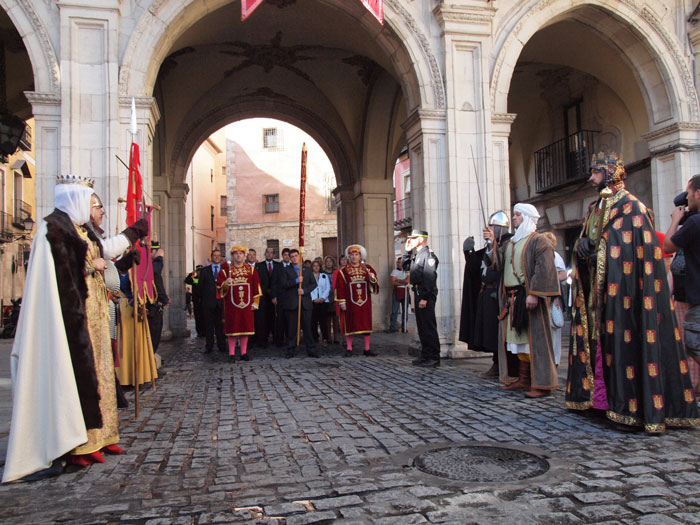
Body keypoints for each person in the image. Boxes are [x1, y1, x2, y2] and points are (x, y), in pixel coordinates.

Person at [3, 175, 148, 482]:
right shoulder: (53, 229)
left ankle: (101, 437)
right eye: (95, 204)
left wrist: (124, 257)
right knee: (82, 377)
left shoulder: (81, 231)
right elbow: (68, 268)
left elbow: (102, 257)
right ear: (78, 202)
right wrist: (126, 237)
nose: (100, 210)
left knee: (101, 375)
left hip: (94, 314)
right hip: (72, 318)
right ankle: (79, 443)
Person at [566, 154, 699, 433]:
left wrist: (598, 250)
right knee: (601, 347)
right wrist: (581, 248)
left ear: (609, 172)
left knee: (627, 347)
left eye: (594, 173)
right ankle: (600, 401)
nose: (590, 178)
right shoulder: (595, 207)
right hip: (598, 298)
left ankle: (631, 410)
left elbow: (627, 250)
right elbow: (589, 241)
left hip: (626, 296)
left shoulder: (632, 207)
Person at [484, 203, 559, 398]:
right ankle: (524, 379)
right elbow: (496, 264)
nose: (514, 218)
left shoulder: (539, 241)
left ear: (526, 217)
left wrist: (534, 293)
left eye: (517, 215)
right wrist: (491, 242)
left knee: (535, 342)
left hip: (529, 296)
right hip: (511, 300)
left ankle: (541, 384)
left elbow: (545, 269)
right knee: (518, 341)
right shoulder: (511, 243)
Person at [459, 211, 513, 379]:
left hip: (497, 294)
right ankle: (496, 363)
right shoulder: (491, 247)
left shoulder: (508, 244)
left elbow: (500, 263)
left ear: (500, 228)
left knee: (497, 332)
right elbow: (477, 268)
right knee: (488, 332)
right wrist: (468, 252)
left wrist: (493, 243)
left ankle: (503, 365)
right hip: (485, 292)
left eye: (491, 226)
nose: (487, 229)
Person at [665, 175, 700, 384]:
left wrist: (676, 219)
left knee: (692, 343)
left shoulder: (695, 222)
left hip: (697, 296)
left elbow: (668, 246)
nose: (686, 199)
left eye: (688, 194)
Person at [402, 230, 440, 367]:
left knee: (428, 326)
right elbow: (406, 266)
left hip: (426, 294)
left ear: (422, 239)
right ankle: (425, 355)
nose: (411, 240)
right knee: (422, 327)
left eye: (414, 238)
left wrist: (425, 297)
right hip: (418, 292)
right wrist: (407, 251)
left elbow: (430, 277)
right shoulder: (417, 255)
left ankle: (434, 357)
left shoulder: (428, 255)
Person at [218, 245, 262, 361]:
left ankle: (243, 352)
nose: (238, 255)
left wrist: (256, 302)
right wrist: (226, 283)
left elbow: (256, 287)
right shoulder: (226, 270)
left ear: (244, 255)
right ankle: (231, 353)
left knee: (244, 328)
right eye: (236, 253)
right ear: (232, 256)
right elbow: (219, 289)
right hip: (231, 305)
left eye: (241, 253)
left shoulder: (251, 269)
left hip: (247, 305)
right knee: (233, 329)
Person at [278, 249, 318, 358]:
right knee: (292, 328)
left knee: (307, 328)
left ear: (299, 256)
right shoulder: (285, 270)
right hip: (291, 304)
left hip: (305, 303)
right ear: (289, 258)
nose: (294, 258)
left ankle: (311, 349)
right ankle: (291, 350)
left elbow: (313, 284)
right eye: (292, 256)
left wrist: (304, 290)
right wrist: (296, 281)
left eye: (296, 256)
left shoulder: (307, 270)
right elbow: (283, 284)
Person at [542, 232, 567, 367]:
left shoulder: (555, 256)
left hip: (553, 298)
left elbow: (562, 274)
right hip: (544, 296)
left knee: (554, 330)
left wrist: (549, 279)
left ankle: (555, 362)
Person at [200, 249, 227, 354]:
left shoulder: (225, 270)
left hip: (221, 303)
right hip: (208, 303)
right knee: (209, 326)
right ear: (211, 257)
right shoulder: (204, 271)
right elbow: (200, 287)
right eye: (215, 255)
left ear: (221, 258)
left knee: (221, 326)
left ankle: (222, 345)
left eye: (218, 255)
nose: (216, 257)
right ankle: (209, 346)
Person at [147, 241, 169, 353]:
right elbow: (155, 270)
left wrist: (164, 298)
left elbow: (158, 284)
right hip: (151, 307)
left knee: (155, 336)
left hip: (156, 306)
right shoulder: (148, 265)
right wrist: (159, 258)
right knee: (152, 336)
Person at [255, 247, 279, 348]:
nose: (269, 254)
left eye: (271, 253)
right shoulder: (259, 266)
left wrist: (274, 293)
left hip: (275, 297)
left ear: (274, 255)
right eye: (267, 253)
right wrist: (265, 290)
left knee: (275, 319)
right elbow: (258, 281)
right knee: (263, 319)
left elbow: (279, 280)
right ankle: (262, 340)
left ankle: (276, 339)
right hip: (263, 297)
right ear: (265, 254)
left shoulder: (278, 266)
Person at [310, 259, 332, 345]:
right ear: (312, 267)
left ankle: (325, 338)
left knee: (323, 321)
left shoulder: (324, 276)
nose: (316, 267)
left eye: (317, 266)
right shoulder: (310, 276)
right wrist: (314, 298)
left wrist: (323, 297)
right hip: (313, 301)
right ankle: (315, 338)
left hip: (323, 301)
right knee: (313, 321)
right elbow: (309, 288)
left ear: (320, 267)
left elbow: (328, 288)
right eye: (314, 266)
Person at [323, 256, 340, 344]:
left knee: (335, 318)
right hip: (326, 297)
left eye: (330, 261)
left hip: (335, 296)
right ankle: (329, 336)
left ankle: (336, 337)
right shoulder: (323, 273)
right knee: (327, 319)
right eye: (327, 261)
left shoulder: (336, 272)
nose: (329, 263)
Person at [184, 265, 204, 336]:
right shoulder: (195, 279)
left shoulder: (205, 278)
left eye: (201, 270)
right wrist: (192, 273)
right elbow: (187, 280)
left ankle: (205, 331)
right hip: (196, 301)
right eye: (198, 270)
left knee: (205, 317)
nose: (200, 272)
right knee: (198, 317)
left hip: (204, 301)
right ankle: (200, 332)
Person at [333, 255, 348, 336]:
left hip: (350, 296)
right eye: (342, 260)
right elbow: (335, 285)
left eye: (345, 260)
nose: (344, 261)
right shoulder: (337, 272)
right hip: (341, 296)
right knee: (342, 319)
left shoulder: (350, 270)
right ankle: (344, 338)